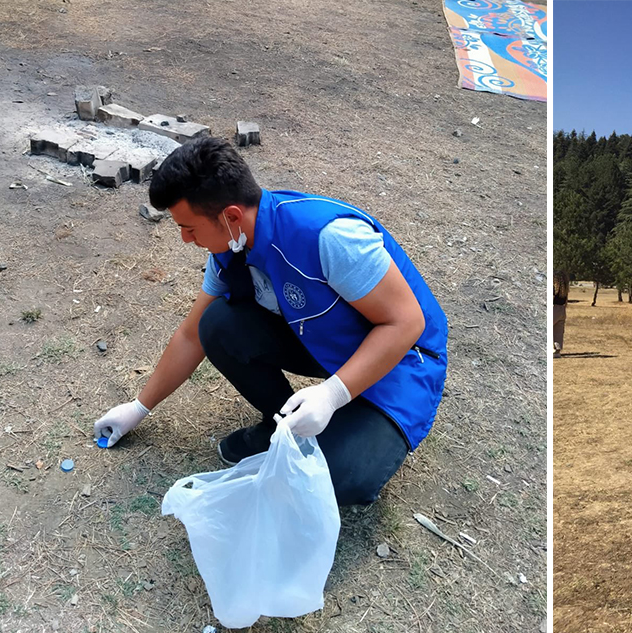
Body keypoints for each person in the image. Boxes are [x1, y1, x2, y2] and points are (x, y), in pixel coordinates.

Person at [92, 137, 449, 506]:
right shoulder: (231, 246)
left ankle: (342, 420)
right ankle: (282, 425)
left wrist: (333, 394)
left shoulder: (328, 237)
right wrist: (139, 407)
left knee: (341, 477)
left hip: (403, 354)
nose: (185, 239)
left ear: (230, 216)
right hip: (320, 335)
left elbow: (406, 323)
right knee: (217, 324)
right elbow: (190, 336)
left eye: (189, 228)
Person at [553, 279, 567, 358]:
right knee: (558, 331)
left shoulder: (554, 288)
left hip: (554, 308)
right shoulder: (564, 289)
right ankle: (557, 351)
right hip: (562, 309)